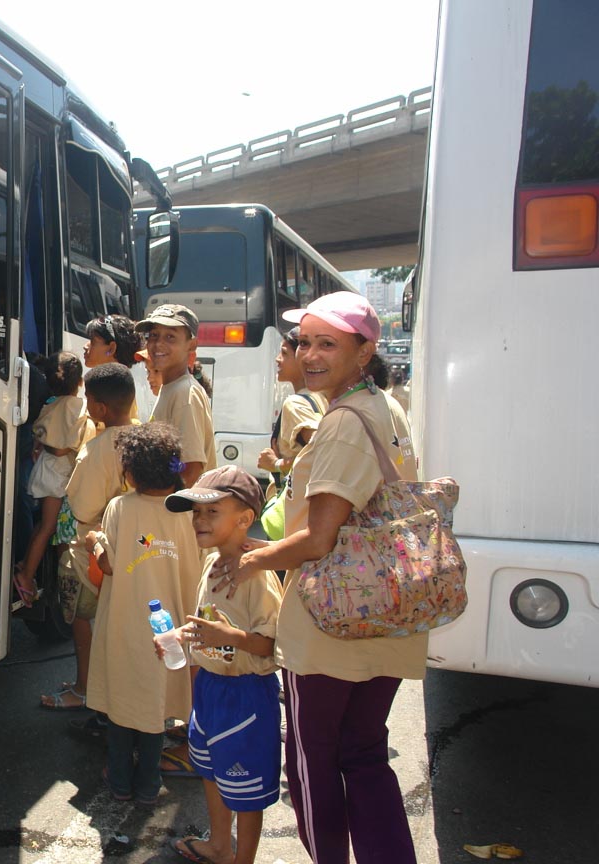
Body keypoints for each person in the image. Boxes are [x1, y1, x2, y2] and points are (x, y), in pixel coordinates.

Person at [214, 291, 423, 864]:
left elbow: (318, 539)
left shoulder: (343, 424)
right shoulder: (384, 406)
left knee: (312, 763)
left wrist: (250, 558)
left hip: (332, 622)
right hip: (386, 607)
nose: (309, 354)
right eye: (304, 341)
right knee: (363, 755)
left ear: (364, 351)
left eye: (327, 343)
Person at [161, 466, 283, 864]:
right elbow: (207, 622)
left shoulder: (258, 574)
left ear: (245, 519)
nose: (199, 520)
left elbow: (270, 645)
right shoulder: (212, 563)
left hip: (246, 695)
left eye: (212, 512)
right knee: (210, 769)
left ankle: (241, 859)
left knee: (245, 789)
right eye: (196, 512)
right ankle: (218, 845)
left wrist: (228, 638)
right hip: (211, 688)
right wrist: (180, 636)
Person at [84, 422, 200, 806]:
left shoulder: (121, 507)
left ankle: (119, 781)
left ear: (130, 470)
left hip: (125, 622)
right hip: (170, 628)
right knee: (153, 706)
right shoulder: (187, 511)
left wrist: (94, 542)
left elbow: (111, 565)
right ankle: (148, 785)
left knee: (121, 703)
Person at [39, 363, 138, 711]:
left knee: (84, 620)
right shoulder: (140, 435)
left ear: (98, 408)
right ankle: (99, 685)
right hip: (132, 548)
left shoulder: (96, 451)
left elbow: (82, 509)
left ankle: (84, 690)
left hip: (92, 551)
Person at [14, 351, 93, 607]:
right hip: (58, 473)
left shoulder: (50, 402)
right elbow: (61, 448)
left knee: (43, 526)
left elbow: (42, 436)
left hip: (47, 470)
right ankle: (25, 576)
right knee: (49, 527)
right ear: (80, 382)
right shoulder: (76, 407)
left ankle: (26, 563)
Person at [137, 304, 216, 487]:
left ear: (192, 344)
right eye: (153, 335)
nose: (158, 344)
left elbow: (191, 470)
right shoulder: (171, 388)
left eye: (170, 337)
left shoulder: (185, 394)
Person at [257, 327, 324, 520]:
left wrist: (276, 464)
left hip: (295, 512)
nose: (278, 359)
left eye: (284, 353)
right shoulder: (322, 397)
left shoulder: (295, 403)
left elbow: (321, 452)